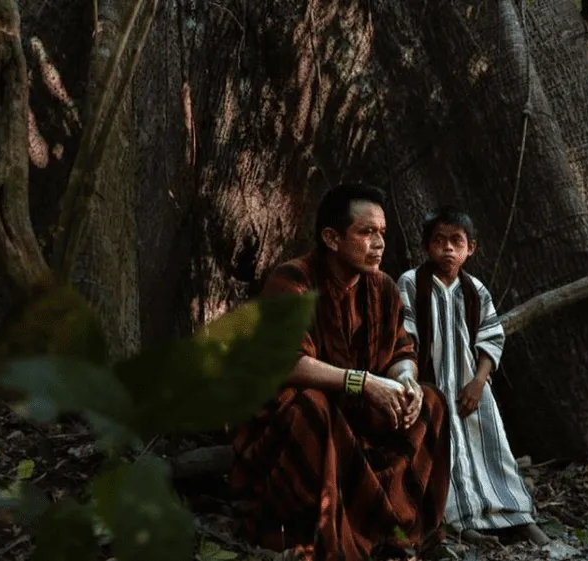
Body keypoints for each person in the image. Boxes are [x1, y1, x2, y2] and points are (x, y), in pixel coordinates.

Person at [229, 184, 451, 560]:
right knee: (312, 407)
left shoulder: (382, 287)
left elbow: (402, 348)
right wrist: (361, 383)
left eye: (382, 233)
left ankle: (398, 532)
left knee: (431, 402)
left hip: (361, 419)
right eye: (366, 233)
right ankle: (326, 537)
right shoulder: (292, 281)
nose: (378, 244)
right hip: (300, 423)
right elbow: (286, 361)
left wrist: (405, 381)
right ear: (331, 238)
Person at [397, 206, 550, 546]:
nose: (447, 249)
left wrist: (480, 381)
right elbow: (405, 338)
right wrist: (415, 386)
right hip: (430, 389)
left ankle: (518, 517)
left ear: (471, 248)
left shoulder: (475, 289)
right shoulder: (411, 283)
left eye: (456, 241)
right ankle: (459, 522)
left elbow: (492, 337)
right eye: (438, 241)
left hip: (470, 389)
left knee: (491, 451)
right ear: (426, 247)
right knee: (441, 457)